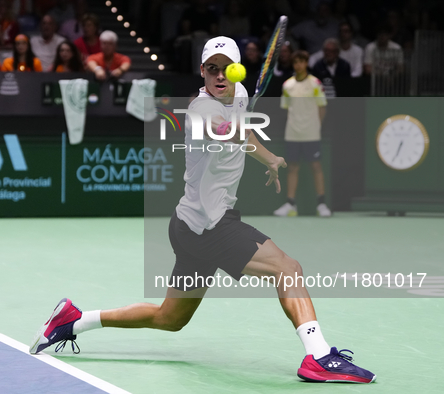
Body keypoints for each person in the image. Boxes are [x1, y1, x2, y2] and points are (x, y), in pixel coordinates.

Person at [29, 36, 376, 385]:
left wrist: (269, 159)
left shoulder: (239, 95)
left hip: (188, 225)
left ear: (237, 72)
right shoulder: (200, 108)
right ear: (202, 71)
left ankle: (73, 320)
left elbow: (241, 128)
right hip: (211, 226)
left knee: (170, 318)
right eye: (212, 69)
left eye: (227, 69)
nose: (220, 76)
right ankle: (318, 355)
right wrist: (253, 142)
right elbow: (229, 131)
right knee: (288, 269)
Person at [274, 50, 331, 217]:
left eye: (301, 61)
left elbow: (322, 108)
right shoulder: (287, 85)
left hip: (311, 133)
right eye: (295, 62)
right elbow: (286, 110)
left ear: (306, 63)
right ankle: (290, 205)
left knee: (316, 166)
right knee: (292, 167)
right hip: (292, 133)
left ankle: (321, 205)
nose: (298, 65)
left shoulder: (315, 84)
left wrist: (315, 127)